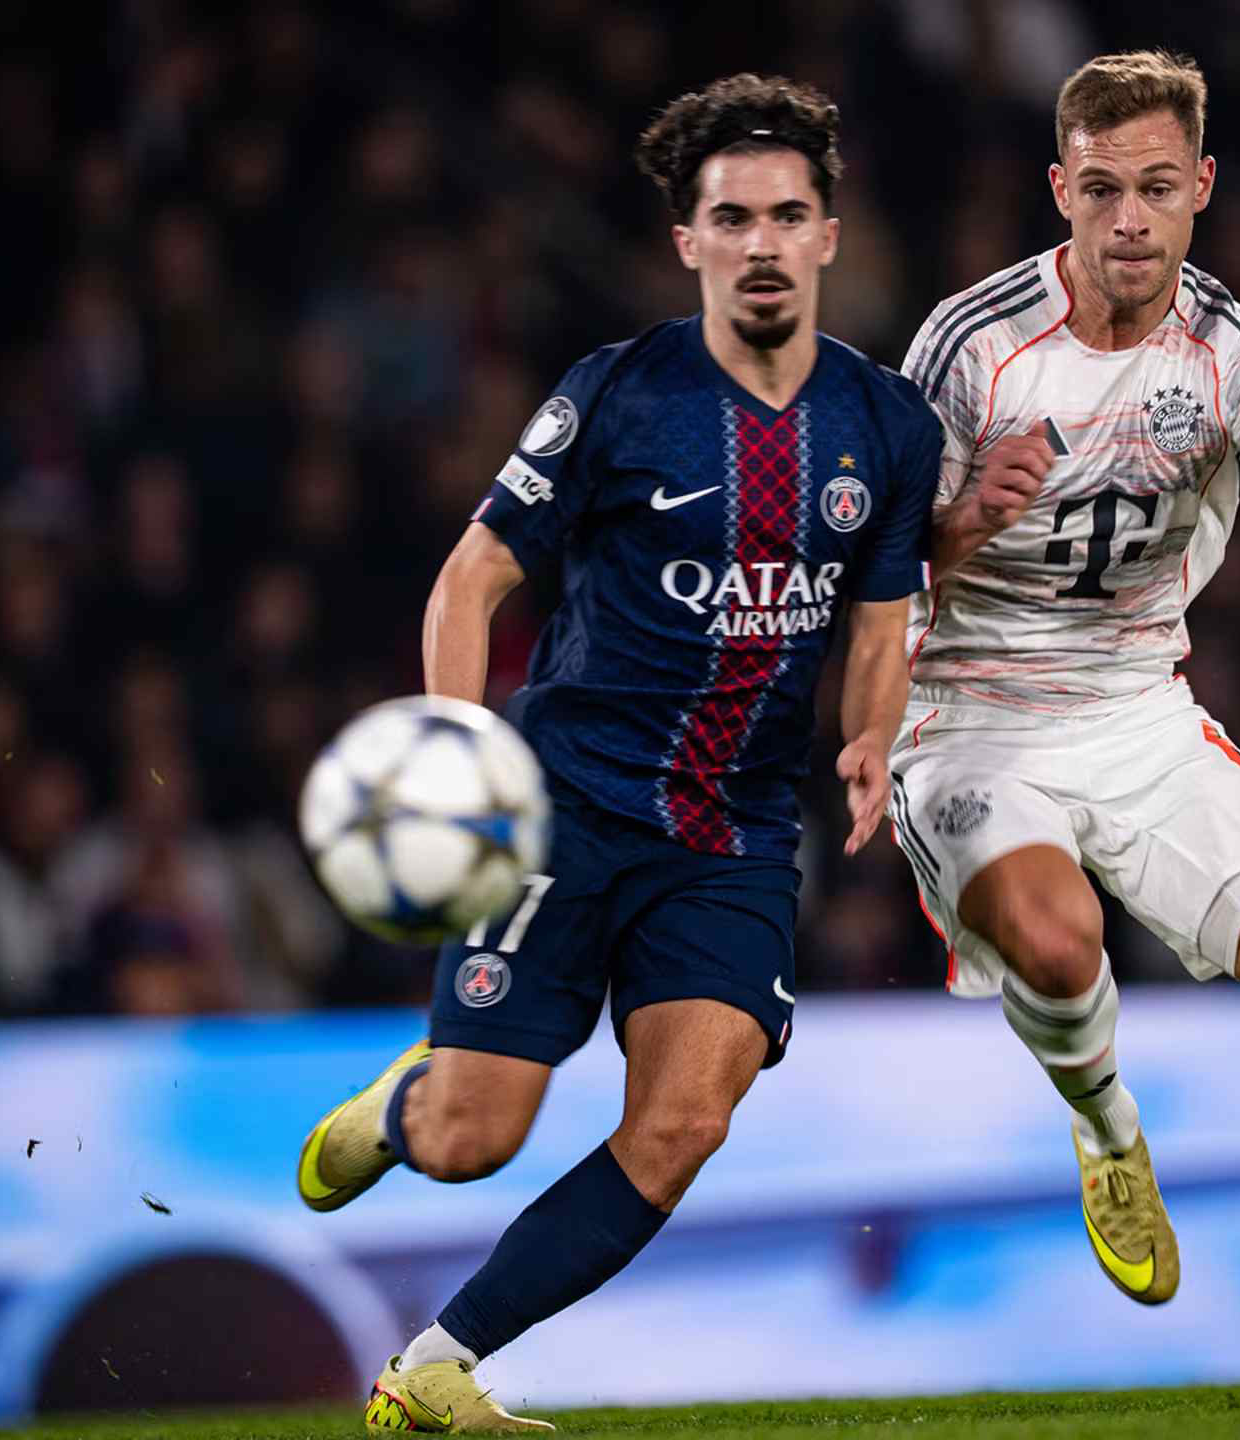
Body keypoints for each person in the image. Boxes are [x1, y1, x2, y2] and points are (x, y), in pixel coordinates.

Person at [296, 75, 940, 1434]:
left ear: (828, 235)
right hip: (565, 807)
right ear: (688, 241)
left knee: (686, 1120)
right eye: (732, 219)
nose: (761, 244)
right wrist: (458, 746)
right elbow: (472, 579)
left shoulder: (887, 427)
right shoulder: (616, 396)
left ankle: (435, 1367)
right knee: (470, 1141)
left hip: (735, 835)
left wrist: (873, 733)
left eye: (788, 215)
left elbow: (883, 618)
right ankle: (405, 1106)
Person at [890, 51, 1240, 1399]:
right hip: (970, 719)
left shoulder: (1238, 350)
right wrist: (964, 519)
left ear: (1203, 186)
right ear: (1060, 190)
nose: (1131, 220)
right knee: (1057, 940)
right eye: (1102, 189)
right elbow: (871, 567)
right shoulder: (970, 344)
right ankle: (1108, 1130)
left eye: (1157, 188)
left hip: (1140, 713)